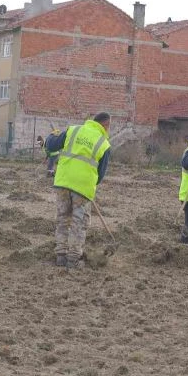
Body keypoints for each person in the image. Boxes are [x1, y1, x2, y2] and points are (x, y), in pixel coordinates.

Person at [44, 112, 111, 269]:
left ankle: (60, 255)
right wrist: (89, 183)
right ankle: (73, 259)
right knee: (78, 223)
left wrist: (52, 136)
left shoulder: (73, 130)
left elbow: (51, 145)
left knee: (62, 218)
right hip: (82, 187)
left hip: (63, 182)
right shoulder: (104, 143)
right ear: (106, 125)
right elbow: (100, 175)